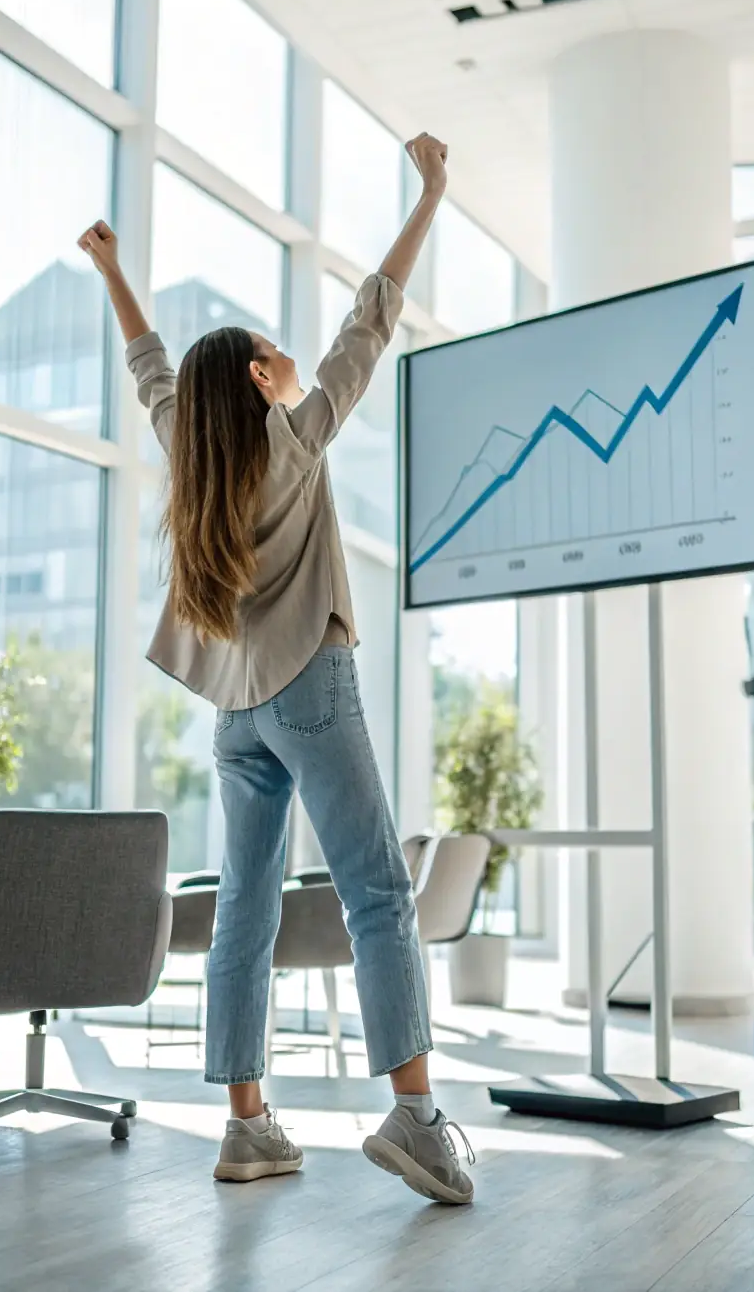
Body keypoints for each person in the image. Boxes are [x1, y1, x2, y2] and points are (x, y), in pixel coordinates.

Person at [78, 132, 473, 1205]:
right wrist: (431, 192)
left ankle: (248, 1128)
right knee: (379, 894)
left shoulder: (189, 450)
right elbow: (373, 314)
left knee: (244, 910)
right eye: (273, 352)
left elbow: (152, 365)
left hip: (235, 714)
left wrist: (112, 272)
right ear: (261, 378)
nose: (293, 358)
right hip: (309, 690)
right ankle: (417, 1117)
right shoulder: (294, 439)